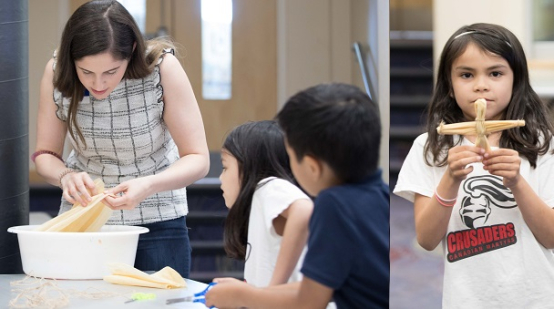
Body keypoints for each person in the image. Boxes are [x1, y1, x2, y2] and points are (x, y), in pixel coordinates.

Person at [393, 23, 554, 308]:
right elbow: (427, 239)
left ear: (515, 80)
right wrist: (450, 179)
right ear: (448, 85)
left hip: (540, 297)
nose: (481, 85)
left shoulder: (539, 143)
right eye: (466, 74)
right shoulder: (431, 147)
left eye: (495, 73)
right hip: (469, 299)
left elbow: (552, 236)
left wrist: (517, 183)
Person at [32, 0, 209, 278]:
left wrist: (149, 185)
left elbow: (198, 158)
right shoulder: (56, 72)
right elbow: (45, 155)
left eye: (111, 72)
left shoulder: (161, 68)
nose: (98, 84)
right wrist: (66, 175)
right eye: (86, 72)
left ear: (132, 52)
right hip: (85, 219)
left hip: (159, 218)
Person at [204, 83, 389, 309]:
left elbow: (310, 301)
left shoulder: (333, 205)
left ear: (312, 166)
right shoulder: (377, 194)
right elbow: (316, 287)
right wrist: (253, 292)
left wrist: (245, 297)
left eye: (291, 157)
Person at [217, 120, 314, 288]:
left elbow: (304, 211)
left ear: (249, 166)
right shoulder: (261, 202)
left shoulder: (268, 186)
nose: (220, 177)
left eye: (225, 167)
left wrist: (269, 293)